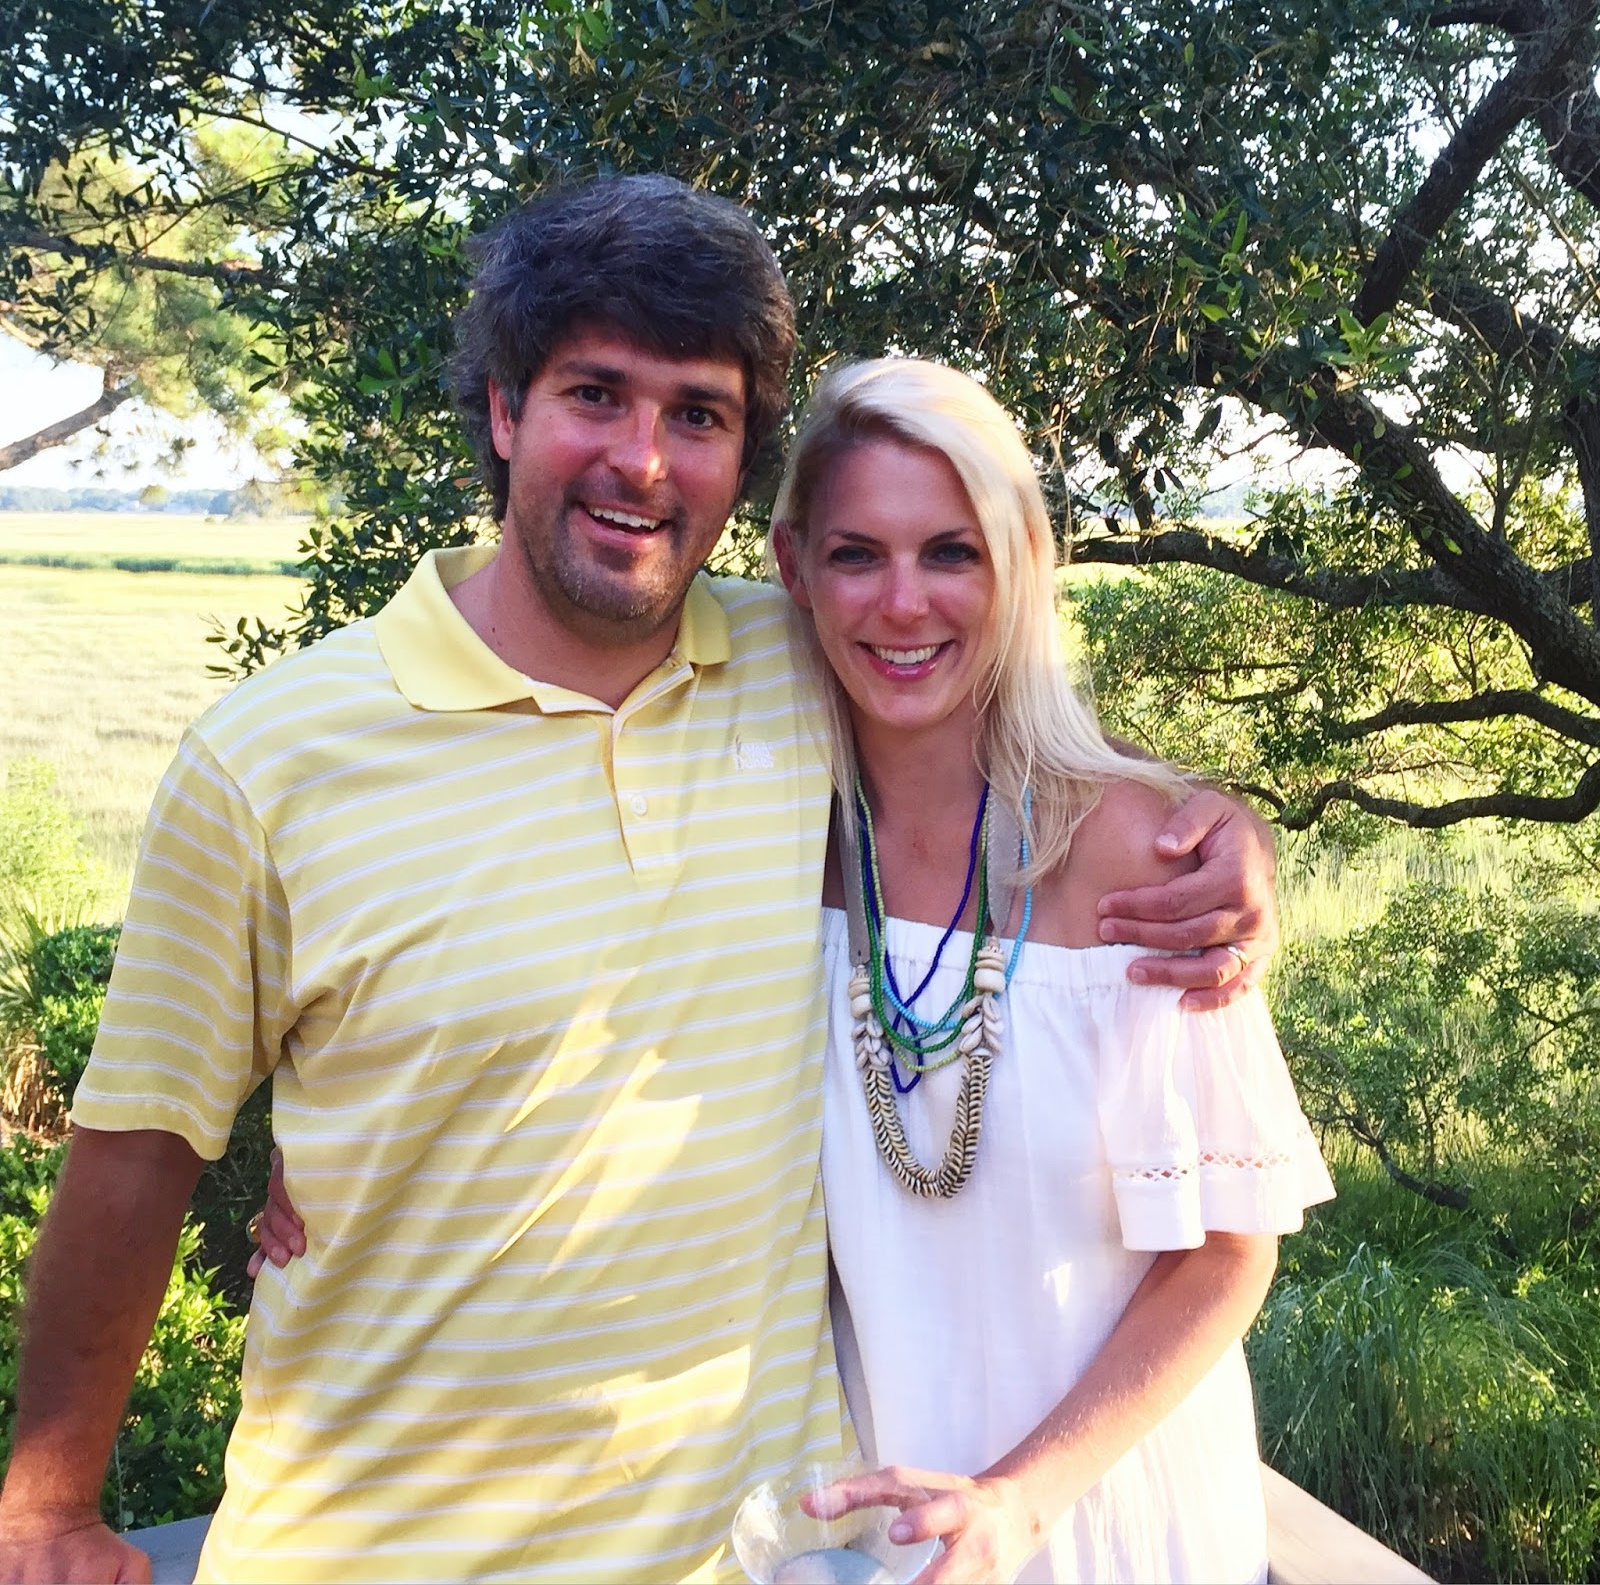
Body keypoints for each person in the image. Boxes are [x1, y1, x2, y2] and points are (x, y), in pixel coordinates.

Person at [0, 177, 1278, 1585]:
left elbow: (986, 719)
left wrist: (1224, 833)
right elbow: (138, 1149)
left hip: (749, 1551)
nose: (645, 461)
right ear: (505, 409)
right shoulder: (270, 758)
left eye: (699, 415)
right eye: (596, 394)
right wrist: (49, 1508)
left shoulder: (793, 664)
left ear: (741, 469)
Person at [764, 358, 1334, 1583]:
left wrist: (1020, 1499)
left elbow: (1228, 1252)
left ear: (1021, 560)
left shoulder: (1145, 857)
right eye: (857, 554)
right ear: (791, 566)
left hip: (1114, 1524)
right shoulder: (776, 843)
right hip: (887, 1535)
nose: (902, 602)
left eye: (951, 552)